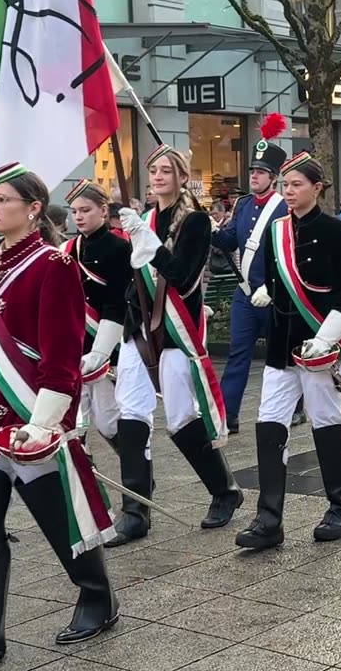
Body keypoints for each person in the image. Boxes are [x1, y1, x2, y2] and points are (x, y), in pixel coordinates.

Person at [0, 164, 117, 670]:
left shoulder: (53, 265)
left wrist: (44, 422)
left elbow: (61, 357)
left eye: (2, 199)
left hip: (29, 415)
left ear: (33, 208)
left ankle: (97, 595)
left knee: (58, 519)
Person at [235, 150, 341, 549]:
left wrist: (327, 337)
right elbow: (276, 281)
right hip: (282, 347)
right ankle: (268, 520)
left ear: (318, 187)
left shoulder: (338, 232)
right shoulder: (276, 230)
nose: (289, 191)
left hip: (320, 348)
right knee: (269, 425)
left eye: (297, 184)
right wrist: (267, 290)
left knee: (325, 423)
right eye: (285, 185)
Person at [115, 145, 242, 529]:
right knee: (130, 411)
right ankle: (135, 511)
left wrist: (150, 246)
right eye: (153, 170)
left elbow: (184, 278)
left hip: (174, 327)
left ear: (183, 177)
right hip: (137, 326)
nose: (157, 177)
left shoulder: (196, 222)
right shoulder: (145, 217)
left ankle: (224, 491)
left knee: (181, 417)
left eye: (166, 171)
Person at [61, 181, 141, 546]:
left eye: (86, 210)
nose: (79, 217)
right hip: (75, 346)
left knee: (110, 420)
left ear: (103, 210)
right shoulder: (68, 249)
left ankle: (137, 475)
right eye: (75, 211)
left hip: (107, 347)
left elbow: (116, 303)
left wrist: (102, 352)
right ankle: (91, 501)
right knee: (74, 425)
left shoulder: (119, 248)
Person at [212, 114, 290, 436]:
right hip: (245, 293)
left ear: (273, 178)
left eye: (261, 172)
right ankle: (228, 416)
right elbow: (233, 241)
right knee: (237, 355)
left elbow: (287, 253)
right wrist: (213, 232)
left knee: (281, 357)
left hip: (274, 295)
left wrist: (273, 288)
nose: (255, 176)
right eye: (253, 171)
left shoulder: (284, 207)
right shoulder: (243, 205)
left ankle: (293, 408)